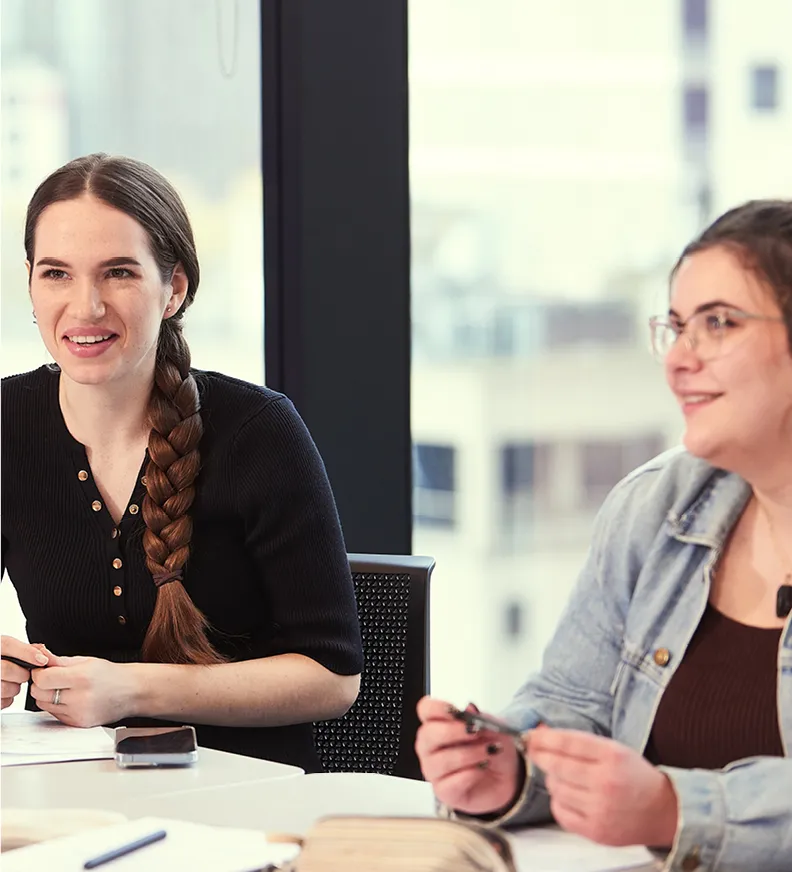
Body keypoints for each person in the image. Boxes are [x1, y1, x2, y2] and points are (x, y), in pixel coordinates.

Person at [416, 200, 792, 870]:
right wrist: (514, 770)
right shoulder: (655, 507)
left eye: (718, 323)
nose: (679, 358)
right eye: (675, 327)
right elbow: (571, 704)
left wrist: (676, 809)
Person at [0, 153, 363, 772]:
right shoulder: (6, 424)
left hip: (246, 799)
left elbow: (332, 677)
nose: (85, 307)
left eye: (118, 273)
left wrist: (132, 688)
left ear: (174, 288)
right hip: (71, 797)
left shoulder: (259, 432)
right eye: (57, 274)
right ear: (31, 283)